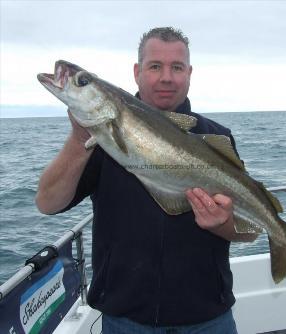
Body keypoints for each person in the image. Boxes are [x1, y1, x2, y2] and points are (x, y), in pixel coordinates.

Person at [36, 27, 257, 334]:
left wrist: (221, 224)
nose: (166, 77)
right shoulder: (96, 143)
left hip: (207, 317)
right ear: (137, 72)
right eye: (155, 66)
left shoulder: (217, 138)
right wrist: (79, 137)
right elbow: (47, 203)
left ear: (189, 73)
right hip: (125, 319)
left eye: (176, 67)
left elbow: (249, 231)